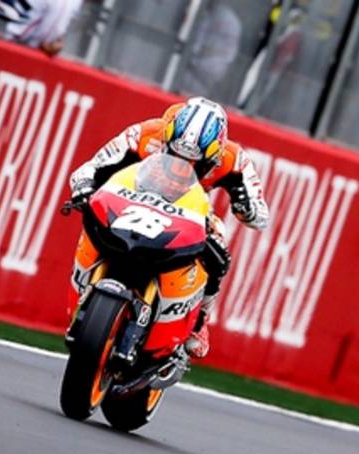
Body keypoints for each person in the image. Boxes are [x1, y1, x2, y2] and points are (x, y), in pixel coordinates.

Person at [68, 97, 270, 358]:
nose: (180, 167)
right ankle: (85, 286)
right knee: (95, 215)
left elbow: (261, 215)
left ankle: (199, 321)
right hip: (134, 198)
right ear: (167, 138)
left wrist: (247, 208)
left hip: (189, 211)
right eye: (173, 156)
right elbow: (89, 168)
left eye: (195, 163)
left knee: (219, 243)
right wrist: (84, 187)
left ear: (214, 155)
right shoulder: (144, 134)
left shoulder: (234, 159)